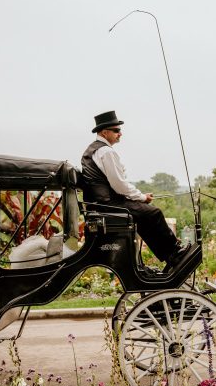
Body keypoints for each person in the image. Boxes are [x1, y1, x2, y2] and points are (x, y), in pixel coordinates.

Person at [80, 110, 190, 270]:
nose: (120, 134)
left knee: (145, 214)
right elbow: (120, 185)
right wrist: (142, 198)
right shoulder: (106, 152)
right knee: (154, 213)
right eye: (116, 130)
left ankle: (170, 255)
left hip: (100, 204)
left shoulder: (94, 150)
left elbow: (116, 184)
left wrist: (140, 197)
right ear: (104, 132)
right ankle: (174, 253)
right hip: (107, 205)